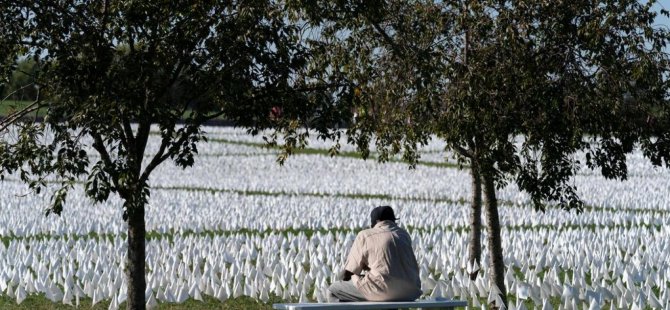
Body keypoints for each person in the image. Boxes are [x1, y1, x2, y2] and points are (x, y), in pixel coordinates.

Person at [328, 206, 422, 302]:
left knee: (333, 290)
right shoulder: (404, 234)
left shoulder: (365, 235)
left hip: (383, 290)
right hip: (411, 290)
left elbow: (350, 272)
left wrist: (342, 281)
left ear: (376, 221)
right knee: (387, 284)